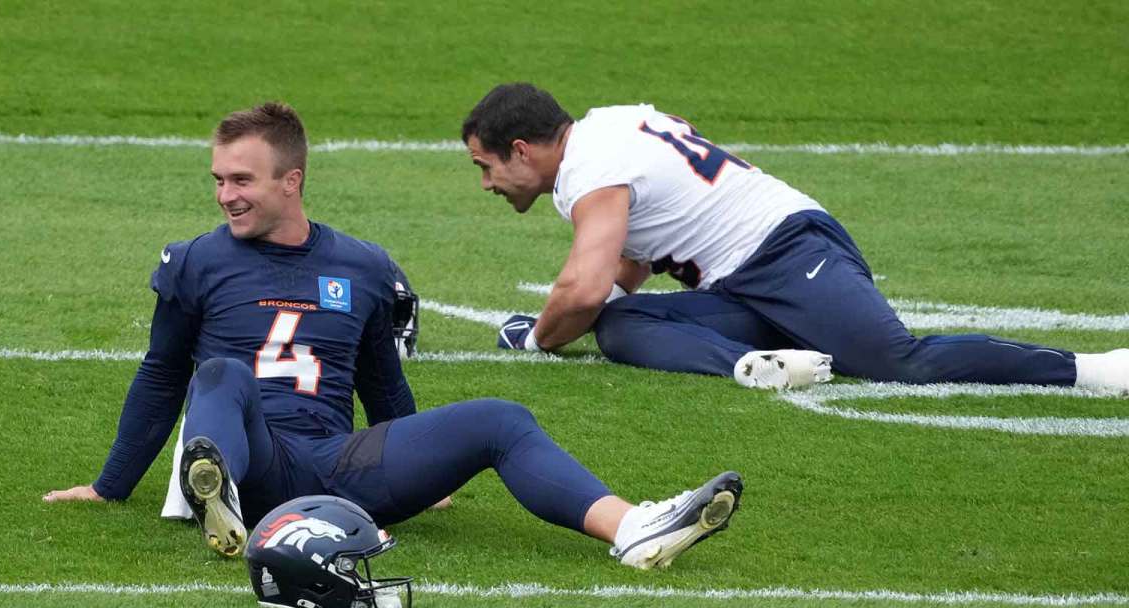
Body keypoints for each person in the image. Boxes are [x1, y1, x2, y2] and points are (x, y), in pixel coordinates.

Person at [42, 102, 744, 570]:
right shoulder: (195, 259)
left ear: (292, 180)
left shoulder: (364, 266)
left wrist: (425, 471)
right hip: (251, 453)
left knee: (501, 418)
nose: (226, 194)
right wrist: (110, 487)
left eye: (242, 180)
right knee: (217, 373)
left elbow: (383, 383)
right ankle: (216, 494)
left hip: (339, 467)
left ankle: (631, 528)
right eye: (219, 179)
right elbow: (163, 372)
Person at [461, 83, 1129, 393]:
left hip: (791, 252)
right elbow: (626, 265)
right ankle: (756, 367)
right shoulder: (608, 129)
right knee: (620, 325)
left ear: (521, 149)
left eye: (486, 166)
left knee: (898, 361)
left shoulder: (587, 167)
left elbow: (579, 287)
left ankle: (1089, 368)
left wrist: (539, 337)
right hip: (743, 279)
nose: (487, 184)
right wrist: (575, 319)